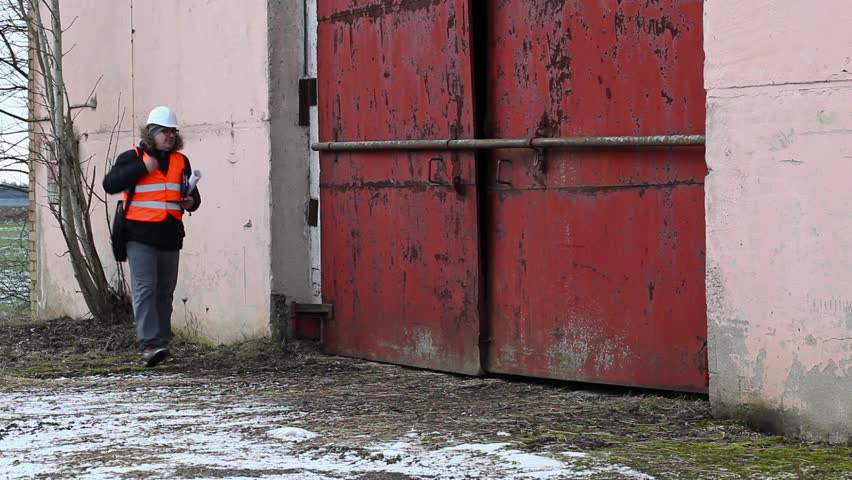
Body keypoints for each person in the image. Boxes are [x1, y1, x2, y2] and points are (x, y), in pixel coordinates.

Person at [103, 106, 201, 367]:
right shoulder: (132, 157)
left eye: (173, 131)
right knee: (145, 288)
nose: (170, 135)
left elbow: (194, 197)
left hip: (170, 235)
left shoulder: (181, 161)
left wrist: (191, 201)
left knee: (165, 292)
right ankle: (150, 345)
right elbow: (110, 184)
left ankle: (162, 345)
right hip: (139, 235)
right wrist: (141, 168)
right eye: (164, 131)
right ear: (151, 133)